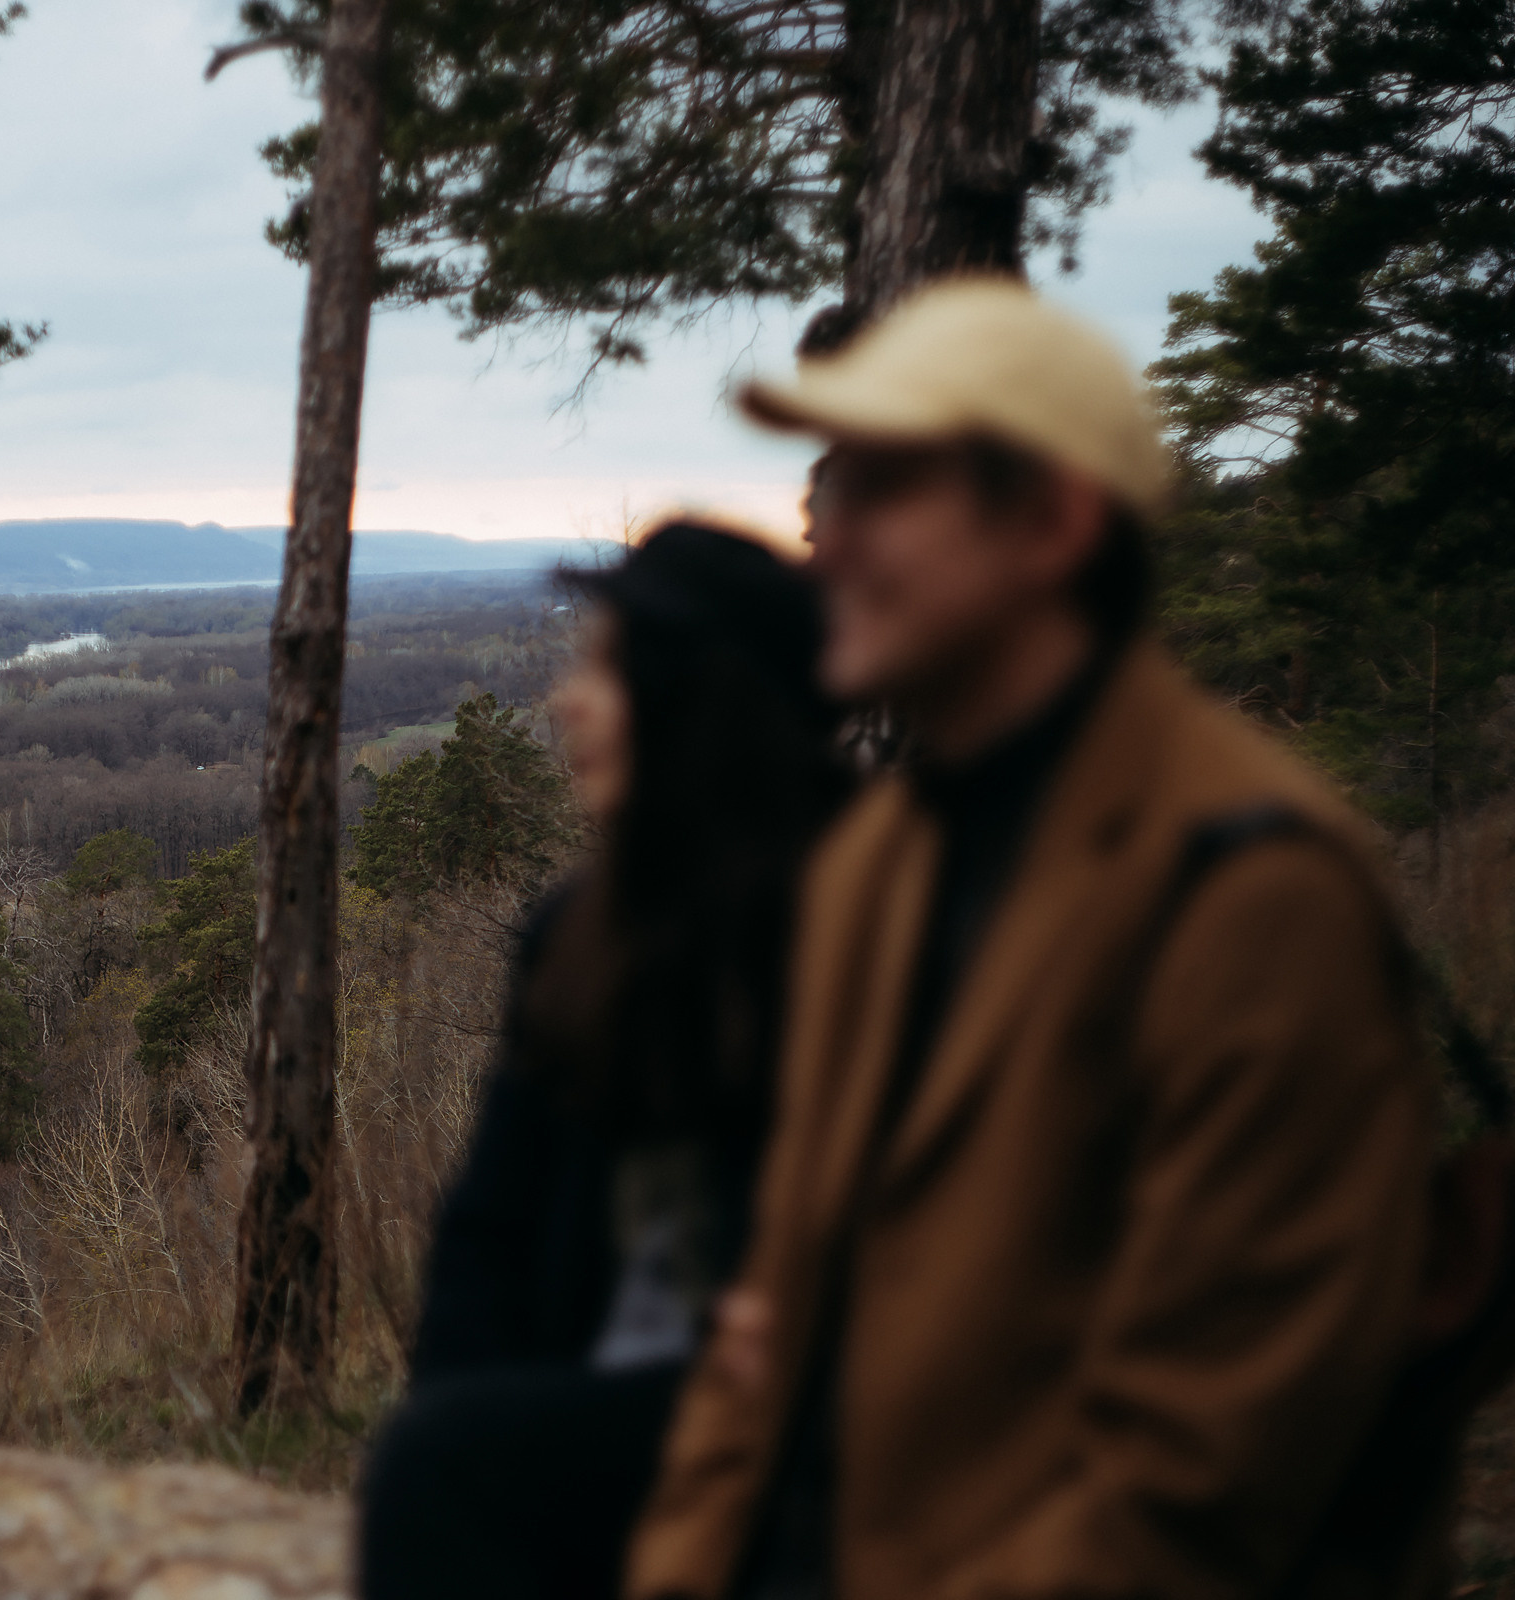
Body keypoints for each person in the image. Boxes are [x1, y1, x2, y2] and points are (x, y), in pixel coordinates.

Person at [627, 277, 1467, 1600]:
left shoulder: (1252, 892)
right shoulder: (874, 868)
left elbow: (1191, 1492)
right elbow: (758, 1367)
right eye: (825, 495)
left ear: (1054, 523)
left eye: (881, 495)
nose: (823, 544)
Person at [360, 521, 850, 1600]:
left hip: (809, 1447)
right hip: (603, 1420)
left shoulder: (867, 927)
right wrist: (476, 1438)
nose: (567, 701)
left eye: (608, 668)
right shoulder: (578, 936)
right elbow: (484, 1239)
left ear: (701, 705)